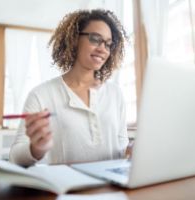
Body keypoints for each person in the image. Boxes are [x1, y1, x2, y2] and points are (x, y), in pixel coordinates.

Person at [9, 9, 130, 166]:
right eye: (95, 39)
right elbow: (15, 158)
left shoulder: (115, 94)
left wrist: (132, 150)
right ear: (74, 39)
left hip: (111, 186)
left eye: (108, 44)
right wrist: (36, 149)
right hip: (68, 188)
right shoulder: (41, 95)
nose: (103, 49)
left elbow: (121, 146)